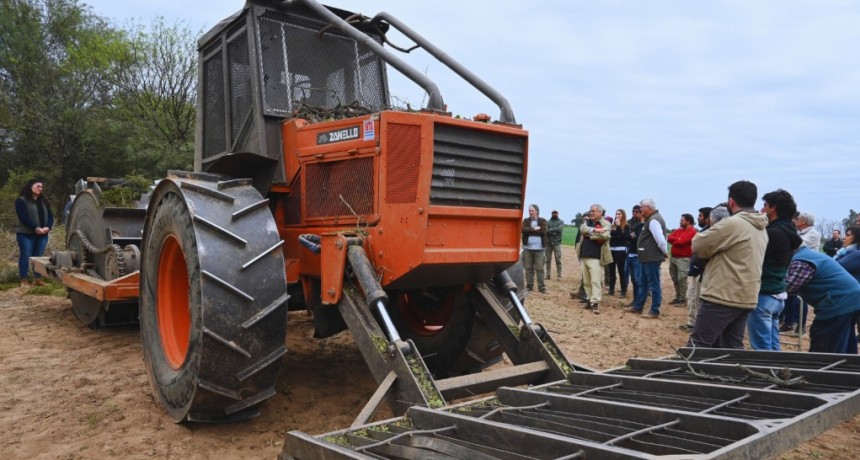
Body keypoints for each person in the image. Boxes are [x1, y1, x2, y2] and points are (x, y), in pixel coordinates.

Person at [687, 181, 768, 349]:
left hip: (723, 295)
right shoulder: (760, 227)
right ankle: (731, 374)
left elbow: (698, 245)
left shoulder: (733, 224)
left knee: (698, 346)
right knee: (731, 349)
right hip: (746, 296)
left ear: (731, 202)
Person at [747, 189, 802, 351]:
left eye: (765, 205)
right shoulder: (789, 232)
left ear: (774, 208)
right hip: (777, 296)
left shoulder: (772, 234)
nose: (762, 209)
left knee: (762, 348)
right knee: (773, 345)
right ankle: (778, 373)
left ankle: (767, 375)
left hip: (764, 294)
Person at [786, 246, 860, 354]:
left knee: (823, 337)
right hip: (852, 298)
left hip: (838, 301)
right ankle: (848, 366)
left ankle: (818, 368)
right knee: (844, 338)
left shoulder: (802, 261)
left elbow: (789, 287)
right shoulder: (809, 255)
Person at [680, 205, 725, 331]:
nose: (698, 218)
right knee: (691, 296)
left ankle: (699, 326)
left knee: (699, 298)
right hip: (696, 270)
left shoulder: (714, 233)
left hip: (704, 271)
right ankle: (692, 322)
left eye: (701, 216)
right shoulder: (705, 230)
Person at [781, 211, 822, 334]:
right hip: (795, 266)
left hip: (805, 270)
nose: (795, 221)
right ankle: (789, 323)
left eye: (797, 219)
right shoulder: (800, 232)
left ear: (804, 221)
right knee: (789, 296)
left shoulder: (813, 234)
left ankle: (801, 326)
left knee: (800, 298)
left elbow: (796, 244)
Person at [628, 198, 667, 319]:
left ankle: (654, 310)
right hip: (646, 258)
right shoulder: (651, 219)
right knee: (644, 284)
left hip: (651, 258)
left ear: (648, 208)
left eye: (642, 208)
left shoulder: (654, 220)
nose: (640, 210)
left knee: (654, 284)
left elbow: (660, 239)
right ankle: (638, 306)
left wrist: (664, 251)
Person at [15, 179, 54, 287]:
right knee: (25, 256)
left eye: (41, 187)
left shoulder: (44, 201)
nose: (40, 188)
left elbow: (50, 216)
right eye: (38, 186)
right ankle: (24, 280)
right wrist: (36, 228)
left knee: (39, 257)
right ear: (30, 187)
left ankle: (37, 279)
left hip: (42, 235)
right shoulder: (21, 200)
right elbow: (23, 217)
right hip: (25, 234)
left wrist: (48, 227)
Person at [577, 204, 611, 313]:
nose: (591, 213)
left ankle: (595, 302)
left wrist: (590, 234)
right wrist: (596, 230)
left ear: (600, 213)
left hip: (596, 257)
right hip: (583, 255)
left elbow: (605, 236)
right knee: (586, 281)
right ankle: (590, 300)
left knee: (595, 281)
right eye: (590, 211)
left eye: (593, 211)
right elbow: (582, 230)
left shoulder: (606, 223)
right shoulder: (586, 222)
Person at [667, 214, 696, 305]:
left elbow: (682, 242)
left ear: (688, 221)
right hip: (674, 257)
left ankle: (683, 299)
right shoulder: (678, 230)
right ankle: (678, 297)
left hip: (684, 259)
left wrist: (676, 240)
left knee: (682, 279)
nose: (680, 222)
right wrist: (677, 239)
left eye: (682, 220)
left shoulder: (692, 231)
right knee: (675, 278)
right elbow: (669, 238)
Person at [521, 204, 548, 293]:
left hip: (539, 248)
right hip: (527, 248)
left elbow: (543, 230)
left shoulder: (543, 220)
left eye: (532, 211)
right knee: (528, 268)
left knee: (540, 268)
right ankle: (529, 286)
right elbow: (523, 230)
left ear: (536, 211)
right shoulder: (525, 220)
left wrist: (530, 231)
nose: (530, 212)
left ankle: (541, 287)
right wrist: (534, 228)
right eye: (529, 211)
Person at [625, 205, 645, 305]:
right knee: (634, 280)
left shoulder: (645, 226)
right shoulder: (633, 224)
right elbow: (628, 236)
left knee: (638, 280)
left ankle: (639, 302)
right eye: (634, 211)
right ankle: (635, 300)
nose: (635, 213)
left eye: (638, 211)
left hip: (638, 256)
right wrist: (631, 236)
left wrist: (632, 236)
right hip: (631, 253)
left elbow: (636, 239)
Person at [608, 209, 631, 297]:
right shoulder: (612, 226)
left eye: (619, 214)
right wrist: (617, 233)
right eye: (616, 214)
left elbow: (624, 237)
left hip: (621, 250)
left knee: (621, 271)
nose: (617, 215)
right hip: (612, 249)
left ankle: (623, 291)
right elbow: (612, 237)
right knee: (611, 270)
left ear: (623, 215)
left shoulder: (626, 226)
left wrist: (618, 228)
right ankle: (611, 289)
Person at [544, 210, 564, 280]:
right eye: (553, 213)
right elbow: (546, 230)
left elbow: (559, 230)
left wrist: (550, 230)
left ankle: (559, 276)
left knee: (558, 259)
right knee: (547, 260)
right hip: (548, 243)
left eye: (555, 213)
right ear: (551, 213)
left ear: (558, 213)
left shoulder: (561, 221)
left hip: (557, 243)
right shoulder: (547, 222)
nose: (554, 214)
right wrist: (554, 231)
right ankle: (548, 275)